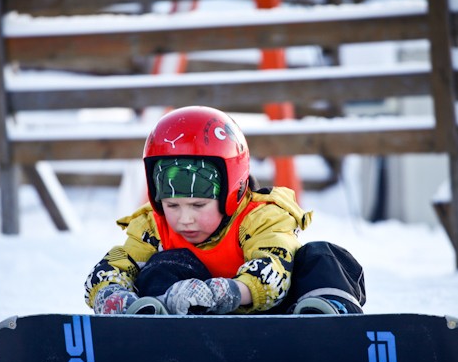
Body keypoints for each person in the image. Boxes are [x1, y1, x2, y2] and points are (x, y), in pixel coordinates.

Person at [84, 106, 365, 315]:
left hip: (276, 321)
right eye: (172, 206)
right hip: (196, 332)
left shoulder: (262, 216)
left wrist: (229, 292)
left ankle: (326, 321)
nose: (185, 218)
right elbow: (117, 264)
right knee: (162, 267)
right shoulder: (153, 227)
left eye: (198, 205)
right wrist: (112, 292)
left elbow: (273, 266)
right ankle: (154, 327)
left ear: (234, 191)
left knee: (322, 255)